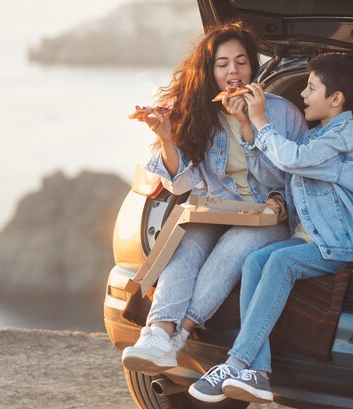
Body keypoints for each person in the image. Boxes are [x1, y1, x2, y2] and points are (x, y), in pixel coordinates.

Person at [120, 22, 308, 375]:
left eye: (241, 62)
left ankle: (181, 335)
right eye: (223, 65)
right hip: (217, 209)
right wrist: (165, 137)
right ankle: (158, 333)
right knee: (184, 242)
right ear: (210, 72)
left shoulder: (282, 113)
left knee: (236, 245)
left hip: (269, 216)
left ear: (253, 67)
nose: (233, 72)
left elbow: (289, 179)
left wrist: (251, 124)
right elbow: (181, 183)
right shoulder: (198, 112)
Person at [188, 53, 353, 403]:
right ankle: (257, 373)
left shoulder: (346, 136)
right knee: (254, 262)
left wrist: (261, 119)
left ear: (336, 99)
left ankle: (237, 360)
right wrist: (248, 126)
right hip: (314, 239)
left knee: (280, 263)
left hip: (341, 243)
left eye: (311, 87)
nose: (302, 94)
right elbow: (278, 165)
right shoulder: (318, 134)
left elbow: (291, 159)